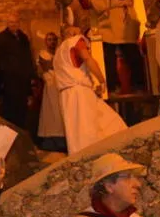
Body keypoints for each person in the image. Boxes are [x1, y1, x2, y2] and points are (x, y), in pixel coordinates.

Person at [76, 0, 145, 93]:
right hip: (106, 25)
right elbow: (88, 4)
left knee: (131, 54)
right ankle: (112, 87)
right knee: (107, 57)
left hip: (124, 23)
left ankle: (139, 84)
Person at [53, 26, 127, 155]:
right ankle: (93, 159)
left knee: (100, 123)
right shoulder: (75, 41)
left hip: (67, 95)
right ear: (73, 33)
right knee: (86, 131)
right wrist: (102, 80)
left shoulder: (59, 52)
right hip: (79, 92)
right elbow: (87, 59)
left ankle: (114, 151)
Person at [0, 13, 36, 128]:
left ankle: (22, 129)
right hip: (9, 79)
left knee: (22, 106)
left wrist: (31, 74)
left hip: (23, 79)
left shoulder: (23, 38)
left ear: (19, 23)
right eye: (11, 22)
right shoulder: (1, 38)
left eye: (16, 22)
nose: (13, 24)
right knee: (10, 106)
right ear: (8, 24)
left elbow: (28, 56)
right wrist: (5, 70)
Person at [37, 32, 66, 151]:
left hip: (61, 85)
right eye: (49, 40)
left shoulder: (60, 52)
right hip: (50, 86)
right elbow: (45, 66)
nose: (52, 42)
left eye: (54, 39)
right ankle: (50, 140)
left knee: (60, 113)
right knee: (50, 113)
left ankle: (62, 139)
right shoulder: (42, 53)